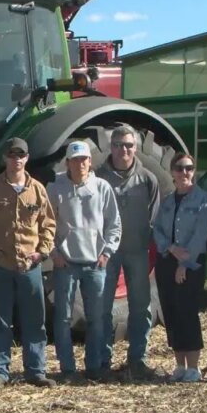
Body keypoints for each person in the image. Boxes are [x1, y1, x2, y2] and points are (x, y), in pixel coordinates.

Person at [0, 137, 57, 389]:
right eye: (12, 155)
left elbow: (48, 225)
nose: (16, 159)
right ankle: (0, 371)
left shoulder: (38, 189)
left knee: (34, 320)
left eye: (21, 155)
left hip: (29, 266)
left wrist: (41, 253)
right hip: (1, 264)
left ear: (27, 158)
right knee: (0, 319)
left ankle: (36, 370)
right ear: (5, 159)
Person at [47, 141, 121, 382]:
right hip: (66, 262)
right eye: (75, 160)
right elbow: (44, 225)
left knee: (96, 317)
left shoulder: (102, 188)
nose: (80, 164)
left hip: (94, 263)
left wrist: (107, 252)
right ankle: (67, 368)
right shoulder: (55, 189)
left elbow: (114, 224)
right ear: (67, 162)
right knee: (63, 317)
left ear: (90, 162)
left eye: (84, 159)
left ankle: (94, 365)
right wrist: (54, 252)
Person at [94, 124, 161, 378]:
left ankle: (137, 359)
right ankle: (103, 360)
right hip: (107, 254)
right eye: (119, 145)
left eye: (129, 145)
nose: (124, 150)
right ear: (111, 147)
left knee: (141, 306)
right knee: (102, 308)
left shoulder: (147, 179)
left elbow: (153, 217)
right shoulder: (98, 177)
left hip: (137, 251)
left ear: (135, 148)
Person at [152, 153, 207, 382]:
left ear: (193, 171)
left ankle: (194, 367)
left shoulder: (203, 199)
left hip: (191, 262)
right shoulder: (167, 201)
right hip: (167, 261)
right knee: (171, 311)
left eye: (188, 168)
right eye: (179, 168)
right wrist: (169, 248)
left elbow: (200, 234)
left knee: (187, 312)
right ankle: (179, 365)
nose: (184, 172)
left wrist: (184, 264)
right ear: (172, 172)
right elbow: (156, 229)